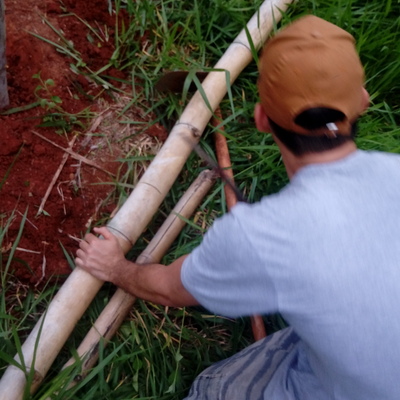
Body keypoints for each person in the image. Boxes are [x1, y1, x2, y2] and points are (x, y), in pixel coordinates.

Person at [75, 15, 400, 400]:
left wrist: (115, 267)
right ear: (362, 100)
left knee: (213, 388)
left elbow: (168, 289)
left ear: (262, 119)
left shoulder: (265, 235)